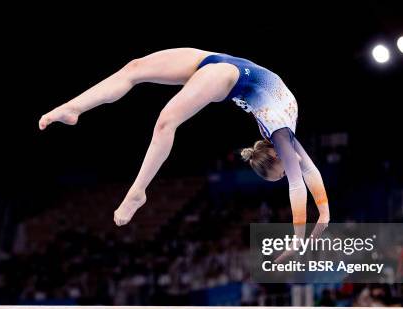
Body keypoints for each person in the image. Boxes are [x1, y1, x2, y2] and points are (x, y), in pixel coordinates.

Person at [39, 48, 330, 232]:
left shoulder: (281, 133)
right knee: (161, 114)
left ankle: (74, 108)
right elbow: (297, 180)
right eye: (279, 173)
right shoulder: (280, 134)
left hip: (220, 62)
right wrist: (299, 235)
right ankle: (137, 189)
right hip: (225, 75)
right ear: (278, 158)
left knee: (135, 70)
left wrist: (325, 215)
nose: (286, 170)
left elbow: (308, 170)